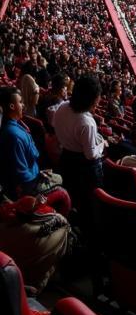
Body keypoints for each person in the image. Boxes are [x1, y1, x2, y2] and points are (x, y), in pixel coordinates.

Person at [0, 89, 70, 216]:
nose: (23, 105)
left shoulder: (12, 126)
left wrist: (39, 172)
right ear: (12, 106)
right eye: (20, 102)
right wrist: (37, 177)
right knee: (60, 180)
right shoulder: (13, 136)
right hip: (28, 185)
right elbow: (22, 176)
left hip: (34, 173)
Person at [51, 74, 106, 210]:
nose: (98, 101)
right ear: (92, 100)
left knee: (71, 194)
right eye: (97, 98)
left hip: (65, 158)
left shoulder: (62, 106)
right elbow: (90, 155)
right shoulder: (87, 123)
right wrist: (102, 145)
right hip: (84, 169)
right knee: (88, 202)